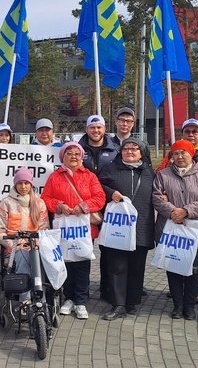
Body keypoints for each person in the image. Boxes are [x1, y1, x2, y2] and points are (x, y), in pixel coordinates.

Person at [41, 141, 106, 320]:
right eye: (69, 153)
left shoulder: (90, 176)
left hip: (84, 229)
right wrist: (59, 205)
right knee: (66, 262)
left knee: (82, 264)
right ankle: (68, 298)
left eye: (77, 153)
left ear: (82, 156)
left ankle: (81, 300)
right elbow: (45, 198)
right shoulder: (55, 177)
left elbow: (100, 198)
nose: (74, 156)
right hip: (63, 228)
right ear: (63, 157)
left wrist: (83, 206)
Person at [157, 119, 198, 304]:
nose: (191, 134)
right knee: (175, 252)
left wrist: (184, 210)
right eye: (187, 131)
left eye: (195, 131)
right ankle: (178, 290)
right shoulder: (173, 153)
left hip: (194, 217)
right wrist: (171, 206)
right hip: (173, 217)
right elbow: (161, 174)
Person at [98, 137, 155, 319]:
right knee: (117, 266)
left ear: (142, 152)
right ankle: (118, 304)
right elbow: (99, 186)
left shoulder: (149, 172)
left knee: (137, 266)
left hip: (141, 225)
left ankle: (132, 301)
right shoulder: (111, 168)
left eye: (134, 149)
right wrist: (110, 193)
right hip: (118, 226)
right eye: (126, 149)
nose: (129, 152)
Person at [0, 167, 50, 301]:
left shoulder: (39, 203)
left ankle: (42, 299)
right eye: (20, 183)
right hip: (13, 249)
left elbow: (44, 230)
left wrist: (35, 244)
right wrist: (15, 245)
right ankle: (25, 300)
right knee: (24, 256)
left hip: (34, 247)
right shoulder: (6, 203)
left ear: (31, 184)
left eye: (26, 183)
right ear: (15, 184)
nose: (23, 186)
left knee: (41, 258)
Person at [79, 114, 118, 301]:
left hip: (109, 204)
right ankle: (81, 290)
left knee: (109, 249)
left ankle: (106, 288)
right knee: (82, 248)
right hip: (83, 206)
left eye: (99, 127)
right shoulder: (77, 149)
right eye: (92, 127)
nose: (96, 131)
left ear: (104, 129)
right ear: (87, 129)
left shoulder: (115, 150)